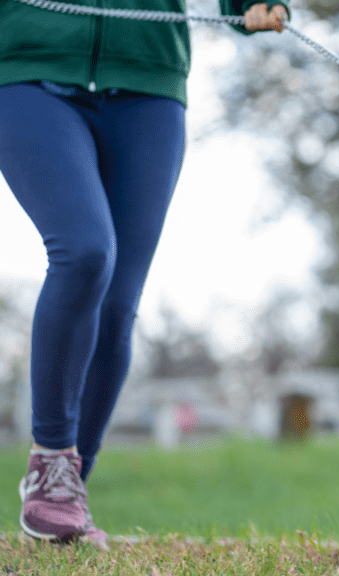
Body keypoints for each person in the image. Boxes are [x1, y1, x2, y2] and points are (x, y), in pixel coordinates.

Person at [0, 0, 290, 548]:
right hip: (28, 68)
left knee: (116, 305)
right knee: (85, 252)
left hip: (148, 81)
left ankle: (66, 499)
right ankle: (51, 463)